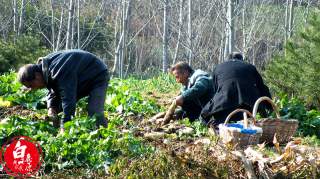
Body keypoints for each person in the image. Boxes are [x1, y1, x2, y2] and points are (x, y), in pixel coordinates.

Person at [17, 49, 109, 133]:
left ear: (37, 76)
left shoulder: (58, 71)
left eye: (31, 85)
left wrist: (64, 126)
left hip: (97, 75)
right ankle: (57, 130)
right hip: (81, 78)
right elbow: (53, 87)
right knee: (58, 107)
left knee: (94, 111)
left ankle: (102, 137)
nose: (33, 89)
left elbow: (68, 99)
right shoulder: (46, 68)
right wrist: (51, 107)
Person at [200, 52, 272, 126]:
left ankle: (212, 127)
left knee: (204, 113)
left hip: (224, 106)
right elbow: (262, 87)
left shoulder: (218, 67)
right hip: (248, 107)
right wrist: (269, 107)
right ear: (241, 59)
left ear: (228, 59)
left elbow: (216, 90)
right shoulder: (250, 67)